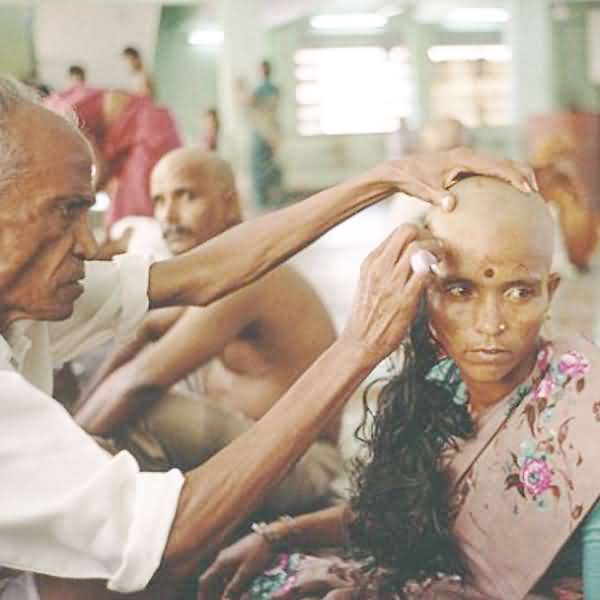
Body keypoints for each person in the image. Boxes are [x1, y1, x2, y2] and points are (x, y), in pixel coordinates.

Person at [0, 75, 536, 600]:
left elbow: (199, 275)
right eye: (66, 211)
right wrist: (358, 345)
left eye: (521, 291)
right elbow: (163, 537)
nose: (92, 246)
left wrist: (382, 178)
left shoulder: (32, 289)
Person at [199, 176, 600, 600]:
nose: (490, 324)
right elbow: (400, 516)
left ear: (549, 292)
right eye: (460, 290)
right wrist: (277, 536)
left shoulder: (585, 408)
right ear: (425, 293)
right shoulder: (440, 385)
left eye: (520, 292)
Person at [75, 148, 342, 514]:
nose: (169, 215)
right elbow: (143, 331)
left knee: (142, 410)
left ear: (229, 203)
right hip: (252, 456)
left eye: (186, 195)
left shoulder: (248, 274)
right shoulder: (211, 277)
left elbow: (143, 383)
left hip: (302, 466)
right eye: (159, 200)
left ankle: (149, 534)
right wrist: (78, 412)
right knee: (99, 383)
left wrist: (66, 456)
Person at [44, 84, 181, 224]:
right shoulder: (57, 106)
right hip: (133, 139)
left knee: (138, 214)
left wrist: (80, 200)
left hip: (146, 131)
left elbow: (101, 170)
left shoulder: (56, 116)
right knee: (120, 215)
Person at [245, 60, 284, 208]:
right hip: (265, 132)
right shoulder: (268, 89)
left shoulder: (267, 90)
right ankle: (266, 199)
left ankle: (268, 199)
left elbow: (256, 104)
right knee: (265, 166)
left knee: (267, 166)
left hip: (267, 132)